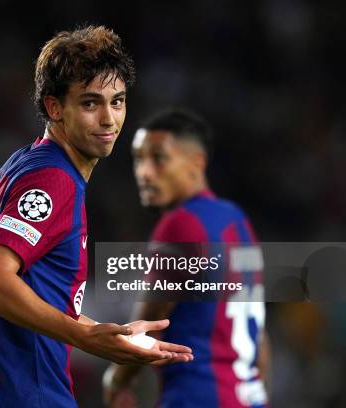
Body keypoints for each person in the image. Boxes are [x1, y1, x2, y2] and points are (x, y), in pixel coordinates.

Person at [0, 26, 193, 408]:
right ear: (55, 107)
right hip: (20, 397)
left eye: (117, 101)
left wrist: (106, 333)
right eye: (90, 103)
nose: (109, 119)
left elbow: (34, 297)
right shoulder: (54, 180)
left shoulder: (24, 163)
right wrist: (82, 337)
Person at [103, 109, 270, 407]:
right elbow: (260, 339)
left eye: (159, 158)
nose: (145, 172)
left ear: (197, 163)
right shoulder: (237, 221)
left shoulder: (181, 223)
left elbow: (146, 325)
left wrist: (116, 380)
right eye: (138, 159)